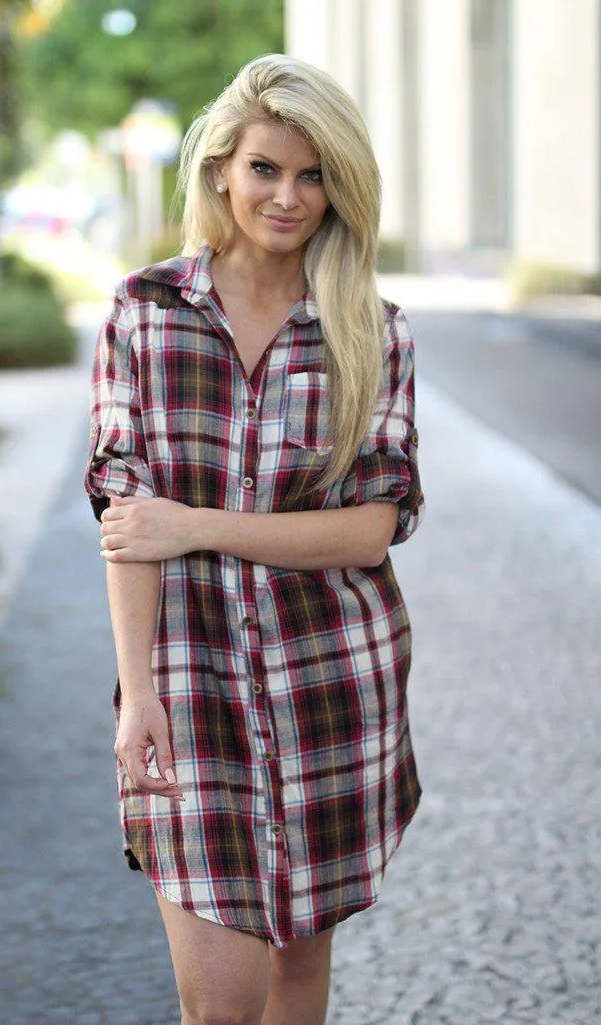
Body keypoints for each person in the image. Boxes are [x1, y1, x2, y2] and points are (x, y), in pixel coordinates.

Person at [85, 53, 424, 1025]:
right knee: (220, 1004)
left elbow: (368, 528)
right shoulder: (144, 315)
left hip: (328, 678)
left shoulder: (370, 329)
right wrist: (137, 693)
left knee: (294, 974)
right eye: (267, 168)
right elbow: (126, 523)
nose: (288, 196)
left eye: (314, 174)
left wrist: (192, 523)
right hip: (190, 684)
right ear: (221, 169)